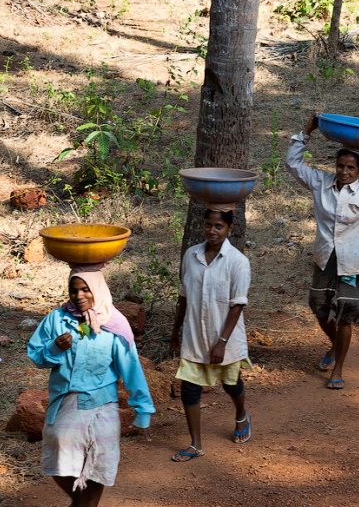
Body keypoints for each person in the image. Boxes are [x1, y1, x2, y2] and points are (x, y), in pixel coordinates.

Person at [285, 114, 359, 389]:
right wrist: (307, 130)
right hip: (326, 258)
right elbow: (293, 164)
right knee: (318, 307)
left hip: (354, 263)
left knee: (346, 314)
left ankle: (337, 367)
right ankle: (335, 346)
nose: (344, 172)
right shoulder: (320, 183)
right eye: (340, 166)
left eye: (350, 168)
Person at [28, 268, 155, 507]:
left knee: (99, 463)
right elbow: (36, 357)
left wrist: (143, 410)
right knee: (58, 449)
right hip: (67, 401)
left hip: (102, 404)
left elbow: (131, 369)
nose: (79, 295)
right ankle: (79, 502)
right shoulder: (56, 319)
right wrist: (54, 348)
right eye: (73, 290)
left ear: (97, 289)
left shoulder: (114, 324)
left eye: (85, 289)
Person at [169, 208, 252, 462]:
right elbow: (183, 296)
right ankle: (195, 444)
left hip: (224, 338)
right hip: (194, 335)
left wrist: (222, 342)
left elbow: (237, 304)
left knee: (231, 384)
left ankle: (241, 415)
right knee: (189, 390)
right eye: (208, 225)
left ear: (229, 229)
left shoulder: (238, 262)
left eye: (218, 226)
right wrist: (176, 330)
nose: (212, 231)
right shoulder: (191, 255)